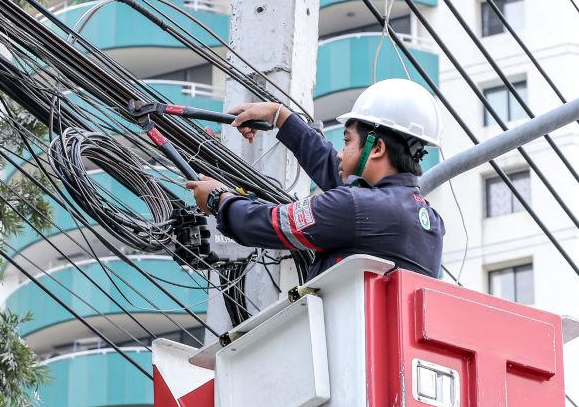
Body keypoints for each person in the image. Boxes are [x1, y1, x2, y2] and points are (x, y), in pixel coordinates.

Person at [184, 78, 446, 279]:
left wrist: (218, 199)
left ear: (376, 149)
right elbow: (336, 172)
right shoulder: (428, 221)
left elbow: (265, 224)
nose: (340, 153)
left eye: (347, 142)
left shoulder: (359, 207)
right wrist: (280, 116)